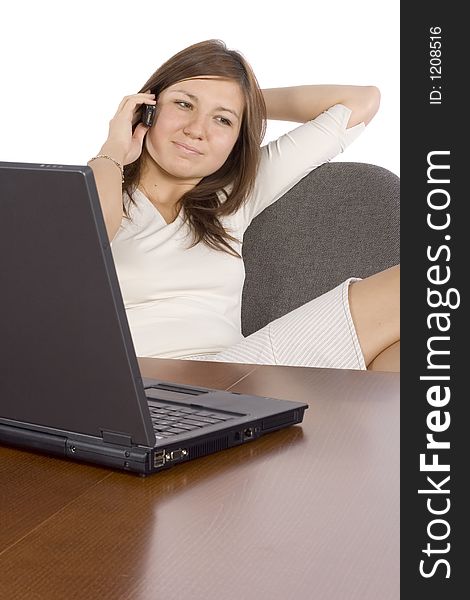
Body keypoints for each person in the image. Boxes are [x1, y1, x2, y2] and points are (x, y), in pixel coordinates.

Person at [87, 39, 400, 372]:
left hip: (237, 380)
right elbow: (86, 235)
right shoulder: (104, 188)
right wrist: (113, 150)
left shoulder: (237, 194)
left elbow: (361, 102)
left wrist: (244, 98)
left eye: (223, 120)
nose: (196, 130)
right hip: (142, 387)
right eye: (183, 104)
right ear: (146, 109)